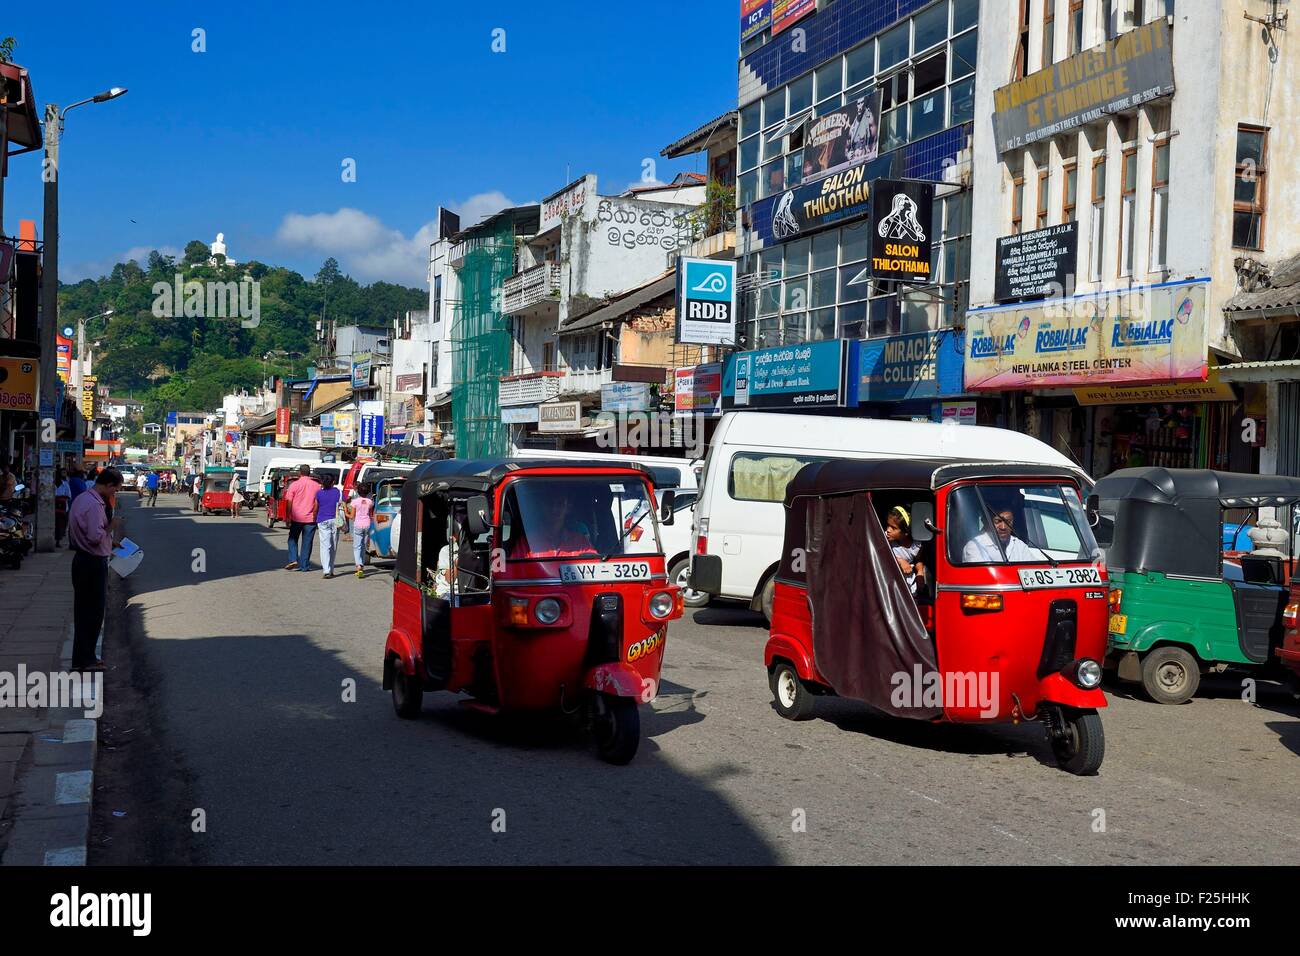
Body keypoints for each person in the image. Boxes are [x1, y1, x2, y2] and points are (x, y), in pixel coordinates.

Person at [67, 467, 124, 671]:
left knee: (86, 612)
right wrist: (112, 526)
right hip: (91, 563)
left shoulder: (84, 499)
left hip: (85, 560)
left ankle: (87, 656)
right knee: (91, 613)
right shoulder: (93, 505)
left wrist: (111, 542)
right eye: (115, 490)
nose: (114, 494)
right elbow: (93, 537)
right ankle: (85, 660)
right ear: (108, 485)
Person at [510, 493, 593, 558]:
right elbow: (513, 573)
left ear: (567, 508)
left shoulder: (581, 542)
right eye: (550, 503)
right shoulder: (526, 543)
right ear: (543, 506)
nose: (554, 509)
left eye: (560, 504)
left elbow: (595, 566)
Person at [962, 507, 1038, 563]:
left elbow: (1033, 568)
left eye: (1008, 521)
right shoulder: (975, 546)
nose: (1003, 527)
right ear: (987, 523)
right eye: (998, 521)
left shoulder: (1018, 545)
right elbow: (981, 576)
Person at [283, 465, 322, 572]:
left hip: (296, 518)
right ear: (309, 473)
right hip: (311, 519)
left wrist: (288, 516)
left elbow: (289, 502)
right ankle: (304, 566)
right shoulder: (317, 486)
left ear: (300, 473)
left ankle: (293, 559)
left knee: (292, 539)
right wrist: (315, 514)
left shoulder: (294, 485)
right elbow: (317, 503)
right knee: (307, 542)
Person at [885, 505, 924, 597]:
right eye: (888, 525)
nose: (888, 530)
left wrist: (920, 572)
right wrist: (900, 561)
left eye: (893, 528)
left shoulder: (916, 546)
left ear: (905, 533)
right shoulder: (884, 538)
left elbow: (918, 559)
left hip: (909, 583)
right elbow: (879, 555)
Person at [343, 482, 374, 578]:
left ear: (358, 491)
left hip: (358, 525)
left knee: (357, 546)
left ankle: (359, 566)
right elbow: (370, 513)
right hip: (367, 524)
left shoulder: (354, 502)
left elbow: (352, 516)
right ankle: (362, 565)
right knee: (363, 546)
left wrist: (345, 510)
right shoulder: (370, 502)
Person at [314, 473, 342, 578]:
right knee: (333, 545)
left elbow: (316, 507)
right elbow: (342, 504)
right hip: (335, 520)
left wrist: (314, 517)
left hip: (322, 520)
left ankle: (326, 570)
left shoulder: (319, 493)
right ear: (333, 482)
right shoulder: (338, 492)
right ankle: (331, 568)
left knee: (325, 545)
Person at [54, 468, 71, 548]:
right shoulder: (51, 484)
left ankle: (58, 541)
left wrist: (60, 498)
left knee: (61, 525)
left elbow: (69, 496)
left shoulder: (65, 484)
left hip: (63, 508)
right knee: (56, 525)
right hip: (53, 508)